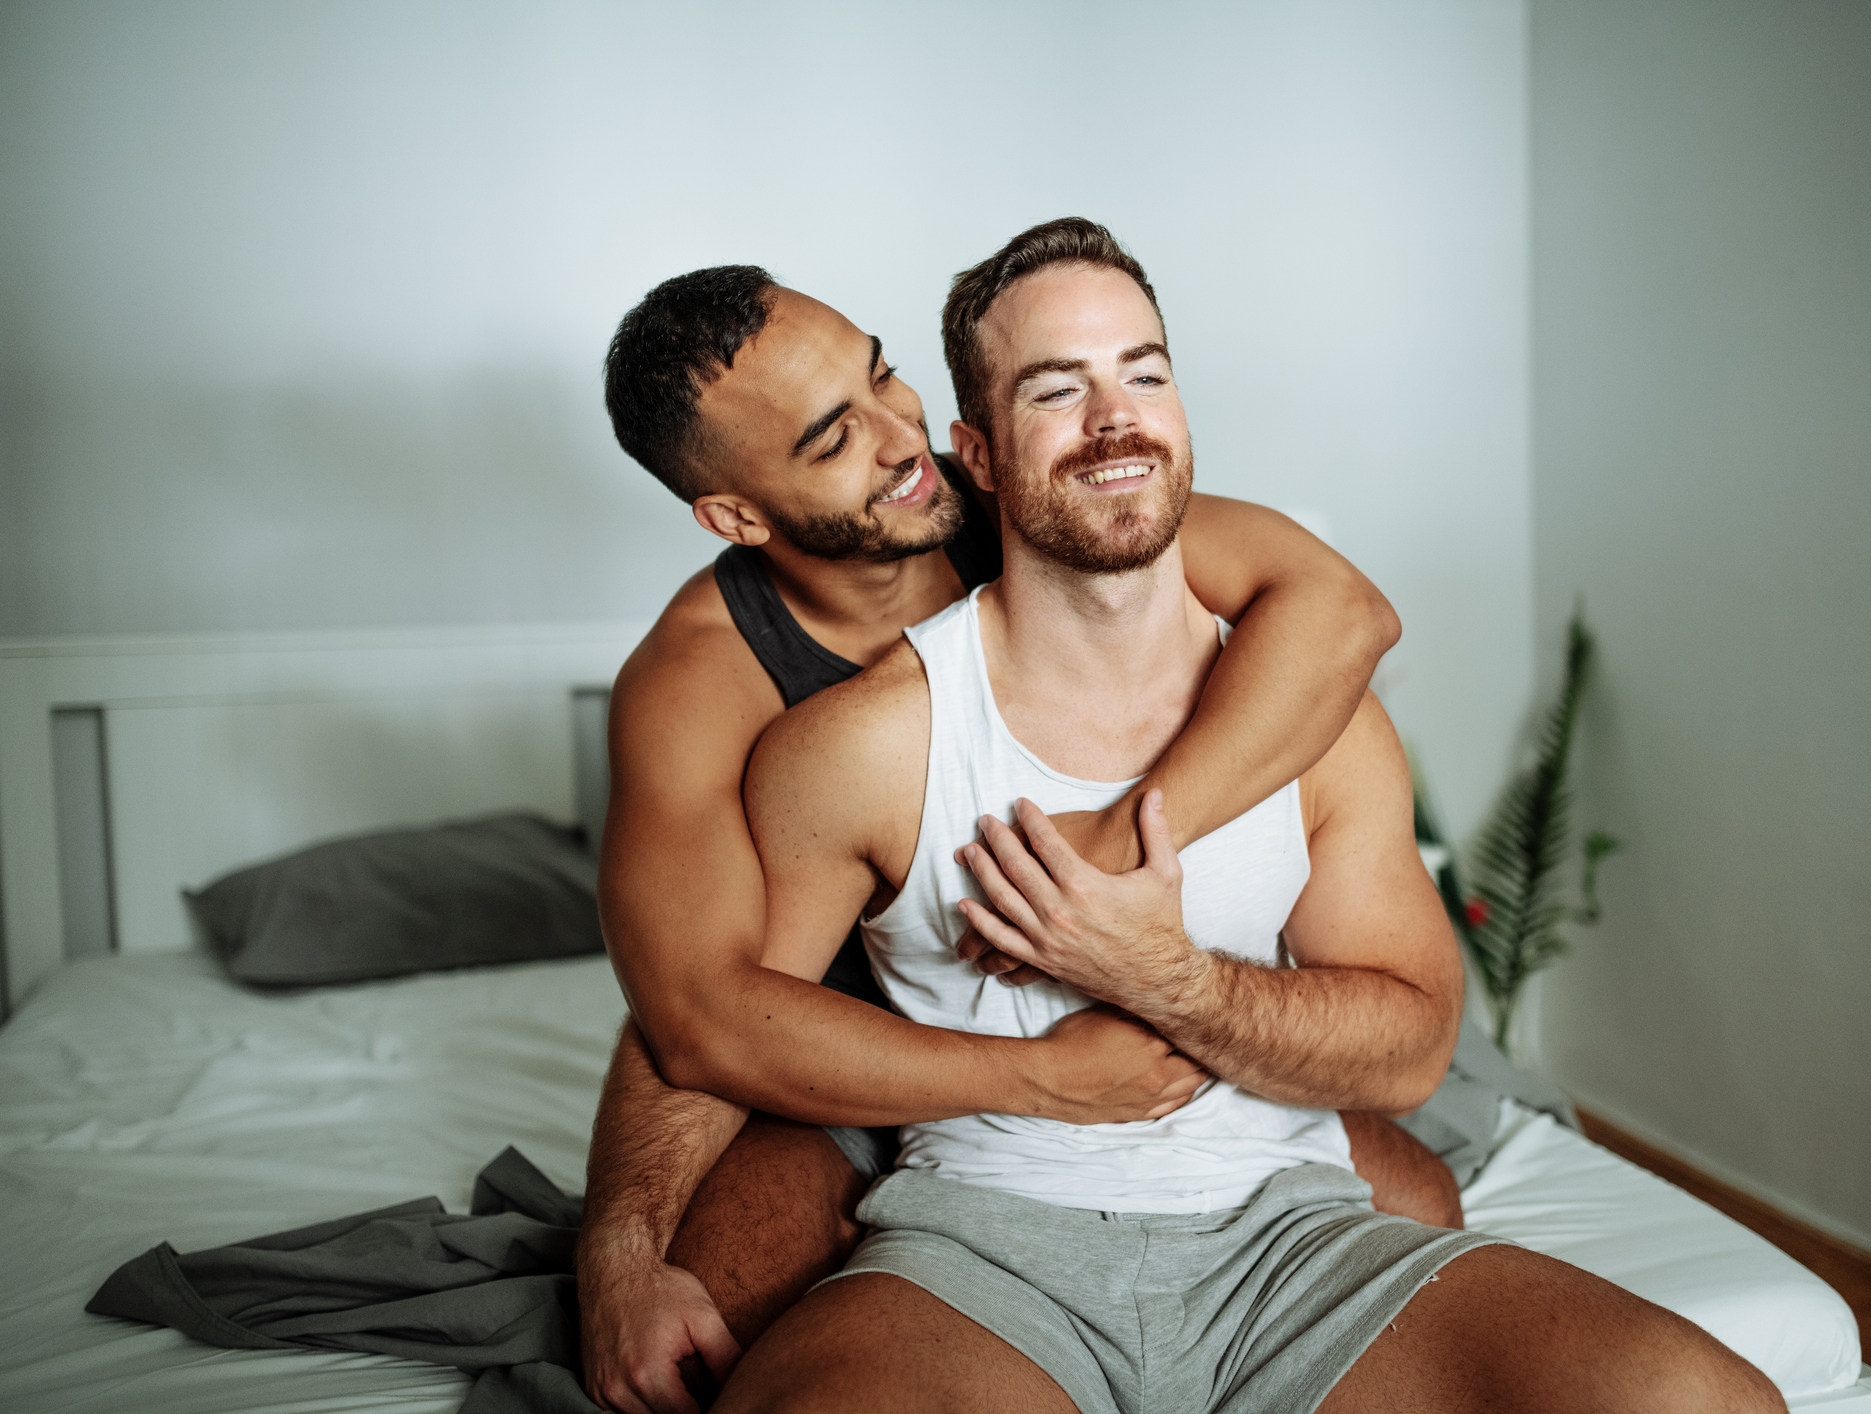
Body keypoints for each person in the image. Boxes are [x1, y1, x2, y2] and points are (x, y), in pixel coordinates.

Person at [702, 219, 1783, 1413]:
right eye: (1057, 390)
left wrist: (1170, 979)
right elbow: (721, 1024)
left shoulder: (1319, 721)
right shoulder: (858, 748)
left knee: (1704, 1398)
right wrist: (626, 1245)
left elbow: (1413, 1047)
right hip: (981, 1254)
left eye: (1145, 374)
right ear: (980, 455)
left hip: (1296, 1246)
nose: (1116, 419)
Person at [578, 251, 1459, 1412]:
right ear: (738, 514)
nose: (901, 438)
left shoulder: (1023, 496)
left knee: (1423, 1207)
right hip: (846, 1058)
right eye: (833, 438)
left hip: (1114, 995)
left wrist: (1112, 847)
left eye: (881, 375)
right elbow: (695, 1011)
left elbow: (1343, 609)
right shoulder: (697, 682)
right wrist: (618, 1250)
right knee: (716, 1331)